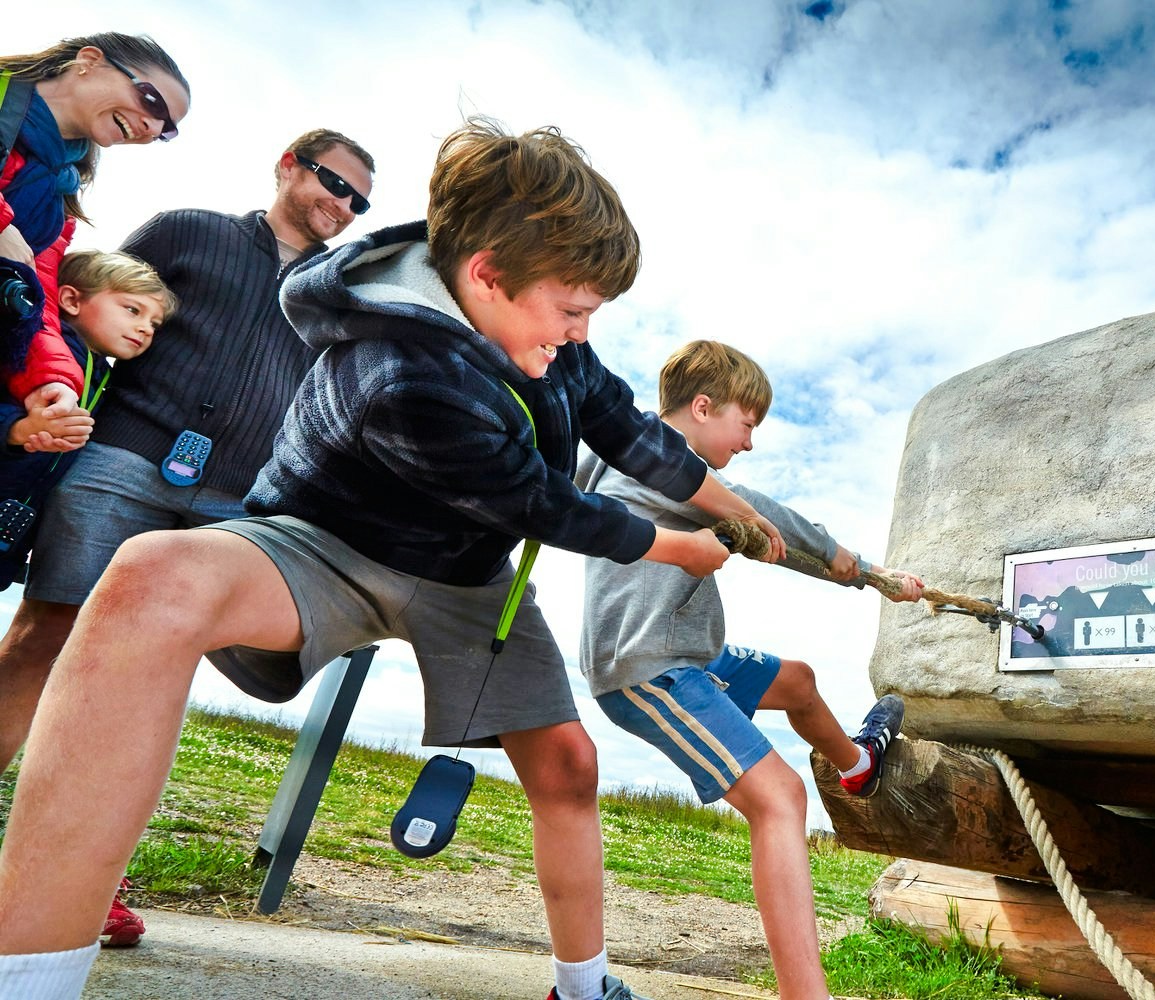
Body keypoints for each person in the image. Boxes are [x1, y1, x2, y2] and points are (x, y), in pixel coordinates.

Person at [0, 118, 785, 1000]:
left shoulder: (548, 332)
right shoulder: (399, 369)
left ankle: (585, 984)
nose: (578, 332)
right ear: (487, 273)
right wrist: (679, 545)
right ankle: (30, 977)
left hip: (467, 574)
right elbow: (541, 502)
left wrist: (738, 511)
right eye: (572, 311)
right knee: (149, 579)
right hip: (327, 542)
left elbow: (625, 427)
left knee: (569, 763)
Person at [0, 126, 375, 947]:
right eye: (332, 181)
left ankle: (84, 879)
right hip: (123, 459)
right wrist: (49, 393)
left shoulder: (340, 291)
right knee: (46, 635)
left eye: (358, 200)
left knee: (139, 681)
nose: (342, 205)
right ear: (287, 164)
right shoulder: (188, 230)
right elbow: (82, 297)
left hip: (239, 501)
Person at [576, 339, 924, 1000]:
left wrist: (858, 574)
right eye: (748, 423)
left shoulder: (641, 460)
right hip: (650, 671)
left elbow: (754, 528)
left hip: (691, 656)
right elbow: (760, 513)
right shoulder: (657, 461)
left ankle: (857, 767)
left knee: (797, 679)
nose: (750, 440)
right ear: (702, 407)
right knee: (780, 797)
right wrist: (859, 568)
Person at [0, 33, 189, 443]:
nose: (151, 127)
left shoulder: (61, 196)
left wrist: (53, 381)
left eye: (165, 129)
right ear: (89, 61)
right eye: (152, 102)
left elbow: (37, 300)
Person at [0, 249, 177, 591]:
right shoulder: (32, 345)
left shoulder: (103, 376)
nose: (145, 328)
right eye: (132, 310)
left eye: (154, 324)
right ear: (71, 300)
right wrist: (18, 430)